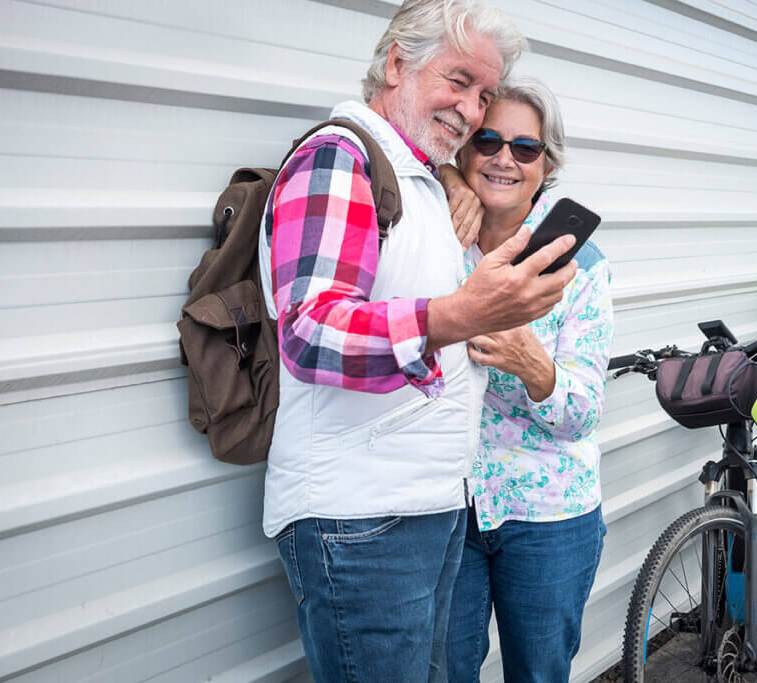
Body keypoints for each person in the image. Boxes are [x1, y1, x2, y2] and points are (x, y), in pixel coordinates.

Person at [257, 2, 581, 681]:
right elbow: (311, 330)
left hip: (421, 509)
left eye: (484, 95)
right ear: (398, 61)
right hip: (362, 521)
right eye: (457, 80)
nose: (469, 110)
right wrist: (459, 315)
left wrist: (456, 179)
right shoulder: (337, 160)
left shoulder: (420, 177)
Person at [440, 78, 614, 683]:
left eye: (525, 148)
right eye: (486, 141)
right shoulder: (434, 239)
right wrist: (443, 180)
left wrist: (532, 362)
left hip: (548, 515)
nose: (503, 158)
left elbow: (585, 412)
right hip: (446, 506)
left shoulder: (581, 268)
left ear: (547, 165)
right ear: (462, 149)